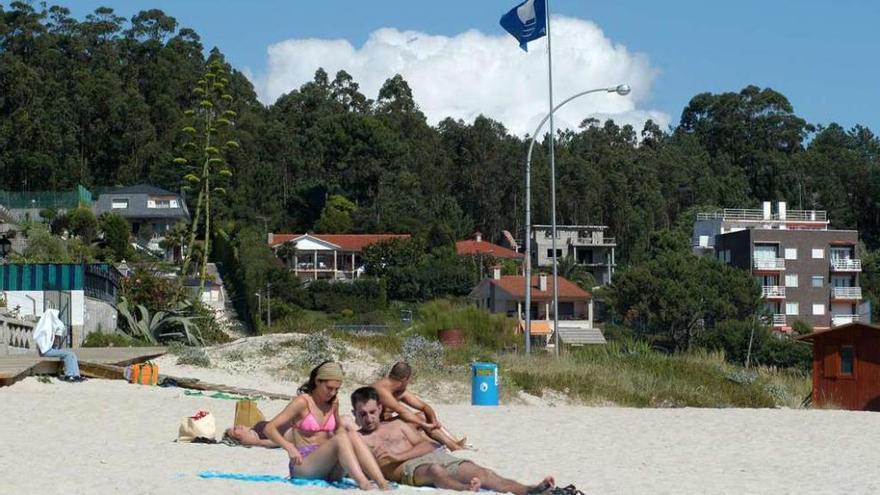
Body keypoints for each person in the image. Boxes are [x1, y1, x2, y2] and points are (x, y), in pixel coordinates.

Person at [351, 386, 555, 494]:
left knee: (481, 471)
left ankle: (528, 490)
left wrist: (397, 455)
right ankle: (465, 489)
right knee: (435, 472)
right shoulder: (359, 439)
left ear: (379, 408)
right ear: (355, 414)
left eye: (371, 412)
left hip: (433, 457)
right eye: (362, 414)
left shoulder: (398, 425)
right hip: (410, 471)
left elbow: (428, 444)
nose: (368, 418)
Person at [262, 361, 389, 490]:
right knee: (341, 439)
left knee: (351, 435)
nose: (333, 393)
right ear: (318, 381)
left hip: (328, 467)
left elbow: (338, 428)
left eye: (337, 389)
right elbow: (269, 428)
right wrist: (289, 447)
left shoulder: (333, 403)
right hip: (304, 465)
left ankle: (382, 483)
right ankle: (364, 484)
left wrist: (350, 440)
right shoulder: (302, 402)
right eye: (329, 388)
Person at [371, 361, 465, 451]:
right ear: (405, 379)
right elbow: (402, 411)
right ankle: (452, 445)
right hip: (376, 428)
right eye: (409, 380)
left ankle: (454, 442)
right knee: (421, 420)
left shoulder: (398, 390)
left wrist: (434, 421)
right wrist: (423, 423)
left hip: (390, 425)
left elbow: (424, 406)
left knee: (423, 419)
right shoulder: (381, 390)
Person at [33, 308, 85, 383]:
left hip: (48, 350)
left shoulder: (45, 327)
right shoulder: (47, 329)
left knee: (72, 354)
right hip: (46, 351)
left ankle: (76, 375)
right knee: (68, 354)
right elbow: (53, 343)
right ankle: (69, 375)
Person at [223, 420, 290, 448]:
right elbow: (278, 442)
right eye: (234, 430)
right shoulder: (259, 441)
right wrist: (257, 442)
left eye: (235, 426)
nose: (237, 426)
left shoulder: (259, 425)